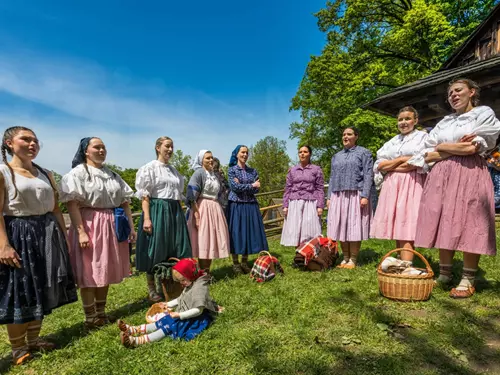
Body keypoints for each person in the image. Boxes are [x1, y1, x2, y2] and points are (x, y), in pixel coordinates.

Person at [408, 78, 500, 298]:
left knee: (470, 219)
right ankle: (445, 272)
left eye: (458, 91)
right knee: (444, 218)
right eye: (450, 93)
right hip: (441, 174)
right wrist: (451, 147)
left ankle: (468, 277)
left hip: (469, 172)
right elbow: (427, 153)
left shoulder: (483, 113)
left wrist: (442, 146)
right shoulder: (445, 121)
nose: (453, 95)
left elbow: (472, 148)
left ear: (472, 91)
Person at [0, 126, 77, 365]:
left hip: (47, 232)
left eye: (35, 140)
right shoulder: (3, 172)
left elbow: (55, 208)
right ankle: (17, 347)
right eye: (26, 139)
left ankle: (34, 340)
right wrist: (3, 245)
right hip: (18, 233)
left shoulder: (45, 173)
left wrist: (64, 239)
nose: (33, 144)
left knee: (42, 284)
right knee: (20, 289)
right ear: (9, 143)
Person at [60, 137, 136, 329]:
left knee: (105, 269)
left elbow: (125, 202)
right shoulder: (78, 174)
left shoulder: (112, 175)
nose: (102, 150)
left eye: (103, 147)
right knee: (89, 270)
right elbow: (72, 204)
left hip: (111, 224)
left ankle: (101, 313)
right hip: (90, 223)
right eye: (97, 147)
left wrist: (131, 227)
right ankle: (90, 317)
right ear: (86, 151)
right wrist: (81, 232)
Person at [135, 136, 192, 302]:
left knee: (176, 248)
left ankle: (171, 286)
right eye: (167, 146)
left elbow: (178, 196)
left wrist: (180, 215)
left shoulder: (174, 172)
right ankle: (152, 288)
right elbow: (145, 196)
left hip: (174, 211)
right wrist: (147, 218)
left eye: (172, 147)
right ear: (158, 148)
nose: (170, 150)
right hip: (158, 210)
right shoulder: (150, 168)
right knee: (156, 249)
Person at [117, 258, 222, 347]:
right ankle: (133, 329)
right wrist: (168, 304)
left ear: (190, 274)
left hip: (194, 318)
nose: (181, 283)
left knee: (169, 327)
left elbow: (198, 310)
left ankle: (136, 341)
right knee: (164, 320)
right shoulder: (190, 282)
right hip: (184, 314)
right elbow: (181, 299)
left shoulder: (199, 288)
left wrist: (180, 315)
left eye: (183, 280)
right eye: (180, 281)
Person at [370, 106, 428, 261]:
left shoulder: (422, 138)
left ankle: (407, 263)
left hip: (411, 182)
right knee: (396, 222)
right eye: (400, 119)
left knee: (407, 221)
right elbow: (380, 165)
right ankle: (399, 260)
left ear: (415, 120)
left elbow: (416, 163)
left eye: (407, 118)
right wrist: (401, 159)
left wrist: (393, 165)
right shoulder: (392, 141)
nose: (403, 122)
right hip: (392, 184)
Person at [326, 127, 373, 269]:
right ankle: (345, 258)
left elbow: (368, 174)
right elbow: (332, 177)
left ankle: (353, 259)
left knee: (353, 227)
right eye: (344, 134)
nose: (345, 136)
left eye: (349, 134)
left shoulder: (364, 153)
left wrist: (365, 195)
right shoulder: (336, 156)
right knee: (341, 226)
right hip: (338, 194)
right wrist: (328, 197)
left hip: (355, 193)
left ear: (356, 136)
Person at [226, 145, 269, 274]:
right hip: (236, 204)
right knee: (236, 233)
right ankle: (235, 263)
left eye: (246, 152)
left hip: (250, 204)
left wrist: (244, 185)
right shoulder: (232, 170)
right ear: (237, 154)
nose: (245, 155)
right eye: (242, 152)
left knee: (248, 232)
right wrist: (251, 185)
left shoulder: (252, 171)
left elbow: (258, 188)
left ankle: (244, 262)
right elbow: (235, 187)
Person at [186, 150, 230, 272]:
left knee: (211, 240)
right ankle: (201, 272)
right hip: (202, 207)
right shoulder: (199, 173)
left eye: (211, 158)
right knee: (203, 240)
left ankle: (206, 272)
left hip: (215, 208)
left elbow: (222, 192)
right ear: (201, 161)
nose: (211, 160)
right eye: (207, 158)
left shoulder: (214, 175)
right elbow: (191, 195)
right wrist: (196, 215)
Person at [280, 145, 324, 247]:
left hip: (310, 202)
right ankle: (298, 257)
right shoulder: (293, 170)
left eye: (305, 152)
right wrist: (285, 205)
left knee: (309, 230)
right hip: (294, 202)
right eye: (300, 152)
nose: (302, 154)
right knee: (296, 230)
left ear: (310, 154)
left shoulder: (316, 169)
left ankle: (310, 255)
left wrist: (320, 206)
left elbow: (320, 188)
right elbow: (288, 188)